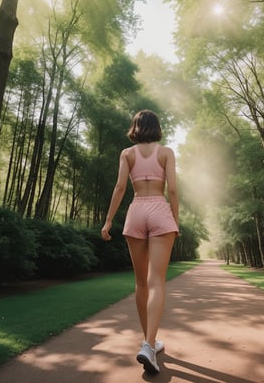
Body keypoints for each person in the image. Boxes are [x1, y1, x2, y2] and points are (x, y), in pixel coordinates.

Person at [101, 109, 179, 374]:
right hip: (158, 209)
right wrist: (174, 219)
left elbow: (120, 187)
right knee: (156, 281)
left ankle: (150, 342)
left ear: (135, 127)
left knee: (140, 282)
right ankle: (148, 343)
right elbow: (173, 189)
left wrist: (109, 220)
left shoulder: (127, 153)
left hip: (136, 211)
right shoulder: (167, 152)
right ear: (156, 127)